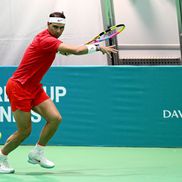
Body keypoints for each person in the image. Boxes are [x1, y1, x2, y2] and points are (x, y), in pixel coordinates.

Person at [0, 12, 118, 174]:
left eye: (61, 28)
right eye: (55, 27)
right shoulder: (45, 39)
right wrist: (97, 47)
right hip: (19, 87)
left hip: (34, 87)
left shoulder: (51, 41)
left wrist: (69, 50)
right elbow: (75, 51)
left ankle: (37, 153)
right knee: (25, 131)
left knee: (55, 119)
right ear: (48, 25)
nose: (58, 30)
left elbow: (65, 51)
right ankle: (1, 157)